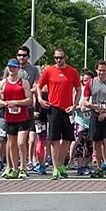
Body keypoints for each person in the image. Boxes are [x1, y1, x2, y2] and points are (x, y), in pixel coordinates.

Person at [38, 48, 82, 180]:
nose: (58, 60)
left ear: (65, 58)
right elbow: (39, 86)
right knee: (54, 139)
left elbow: (78, 89)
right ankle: (55, 168)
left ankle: (61, 163)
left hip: (67, 109)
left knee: (68, 139)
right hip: (54, 108)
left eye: (61, 57)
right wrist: (40, 100)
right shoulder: (49, 71)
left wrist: (74, 105)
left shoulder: (72, 71)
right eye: (56, 57)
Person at [0, 59, 33, 179]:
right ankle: (14, 168)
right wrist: (6, 104)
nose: (12, 69)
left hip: (22, 117)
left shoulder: (24, 83)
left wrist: (17, 102)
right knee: (11, 144)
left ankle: (23, 167)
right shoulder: (3, 83)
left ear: (18, 69)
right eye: (10, 67)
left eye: (14, 67)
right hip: (9, 118)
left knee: (21, 142)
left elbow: (29, 99)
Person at [82, 60, 106, 179]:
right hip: (95, 115)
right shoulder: (90, 83)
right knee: (96, 142)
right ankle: (98, 168)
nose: (101, 72)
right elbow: (85, 101)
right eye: (99, 70)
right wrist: (94, 107)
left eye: (104, 70)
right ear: (96, 70)